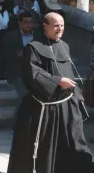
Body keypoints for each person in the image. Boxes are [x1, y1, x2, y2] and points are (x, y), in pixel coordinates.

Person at [7, 13, 94, 173]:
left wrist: (77, 97)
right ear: (45, 26)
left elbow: (69, 75)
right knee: (41, 148)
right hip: (43, 109)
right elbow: (32, 74)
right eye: (56, 25)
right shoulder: (33, 47)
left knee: (73, 145)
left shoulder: (64, 46)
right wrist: (57, 81)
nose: (60, 29)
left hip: (66, 107)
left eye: (62, 25)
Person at [2, 11, 34, 126]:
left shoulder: (38, 36)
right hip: (18, 72)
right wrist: (17, 54)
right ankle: (18, 124)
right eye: (25, 22)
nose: (28, 25)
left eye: (31, 22)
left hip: (34, 72)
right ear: (20, 23)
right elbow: (3, 54)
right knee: (23, 97)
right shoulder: (11, 36)